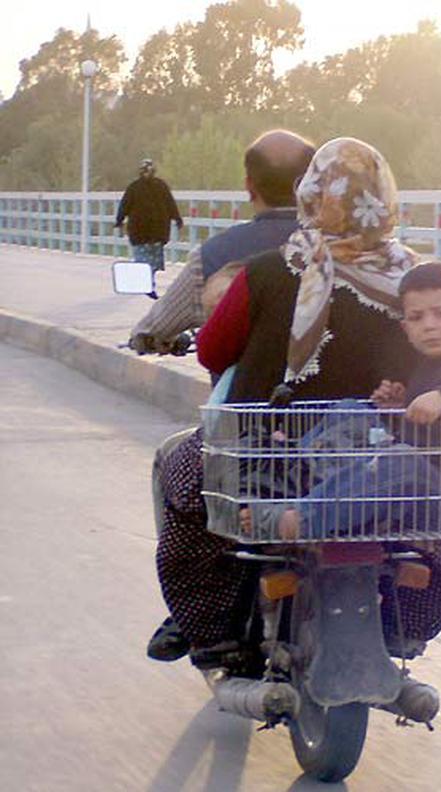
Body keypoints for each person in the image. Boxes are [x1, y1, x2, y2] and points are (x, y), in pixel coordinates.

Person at [154, 137, 420, 668]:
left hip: (265, 450)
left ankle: (210, 631)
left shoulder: (269, 270)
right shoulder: (415, 280)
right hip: (377, 456)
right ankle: (402, 625)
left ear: (313, 196)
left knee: (186, 487)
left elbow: (211, 348)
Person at [237, 262, 441, 548]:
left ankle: (301, 520)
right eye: (417, 317)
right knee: (351, 410)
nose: (429, 325)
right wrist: (397, 410)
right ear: (405, 327)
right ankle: (293, 477)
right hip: (403, 491)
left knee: (401, 460)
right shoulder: (422, 369)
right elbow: (416, 432)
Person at [128, 131, 316, 359]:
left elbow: (153, 330)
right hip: (351, 393)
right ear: (314, 183)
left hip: (248, 393)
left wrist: (146, 340)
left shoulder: (212, 256)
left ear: (249, 186)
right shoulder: (353, 249)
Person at [115, 159, 183, 296]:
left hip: (141, 231)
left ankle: (146, 284)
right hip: (156, 231)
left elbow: (124, 206)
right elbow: (170, 204)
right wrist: (177, 218)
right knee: (150, 260)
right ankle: (147, 284)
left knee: (143, 259)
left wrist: (119, 221)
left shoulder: (134, 187)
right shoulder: (160, 186)